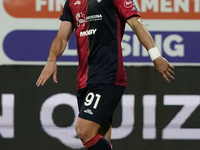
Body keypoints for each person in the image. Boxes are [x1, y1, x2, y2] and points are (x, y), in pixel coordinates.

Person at [36, 0, 175, 149]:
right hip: (84, 80)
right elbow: (62, 37)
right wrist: (52, 59)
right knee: (100, 136)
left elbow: (136, 23)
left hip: (108, 75)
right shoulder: (71, 2)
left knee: (84, 130)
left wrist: (155, 56)